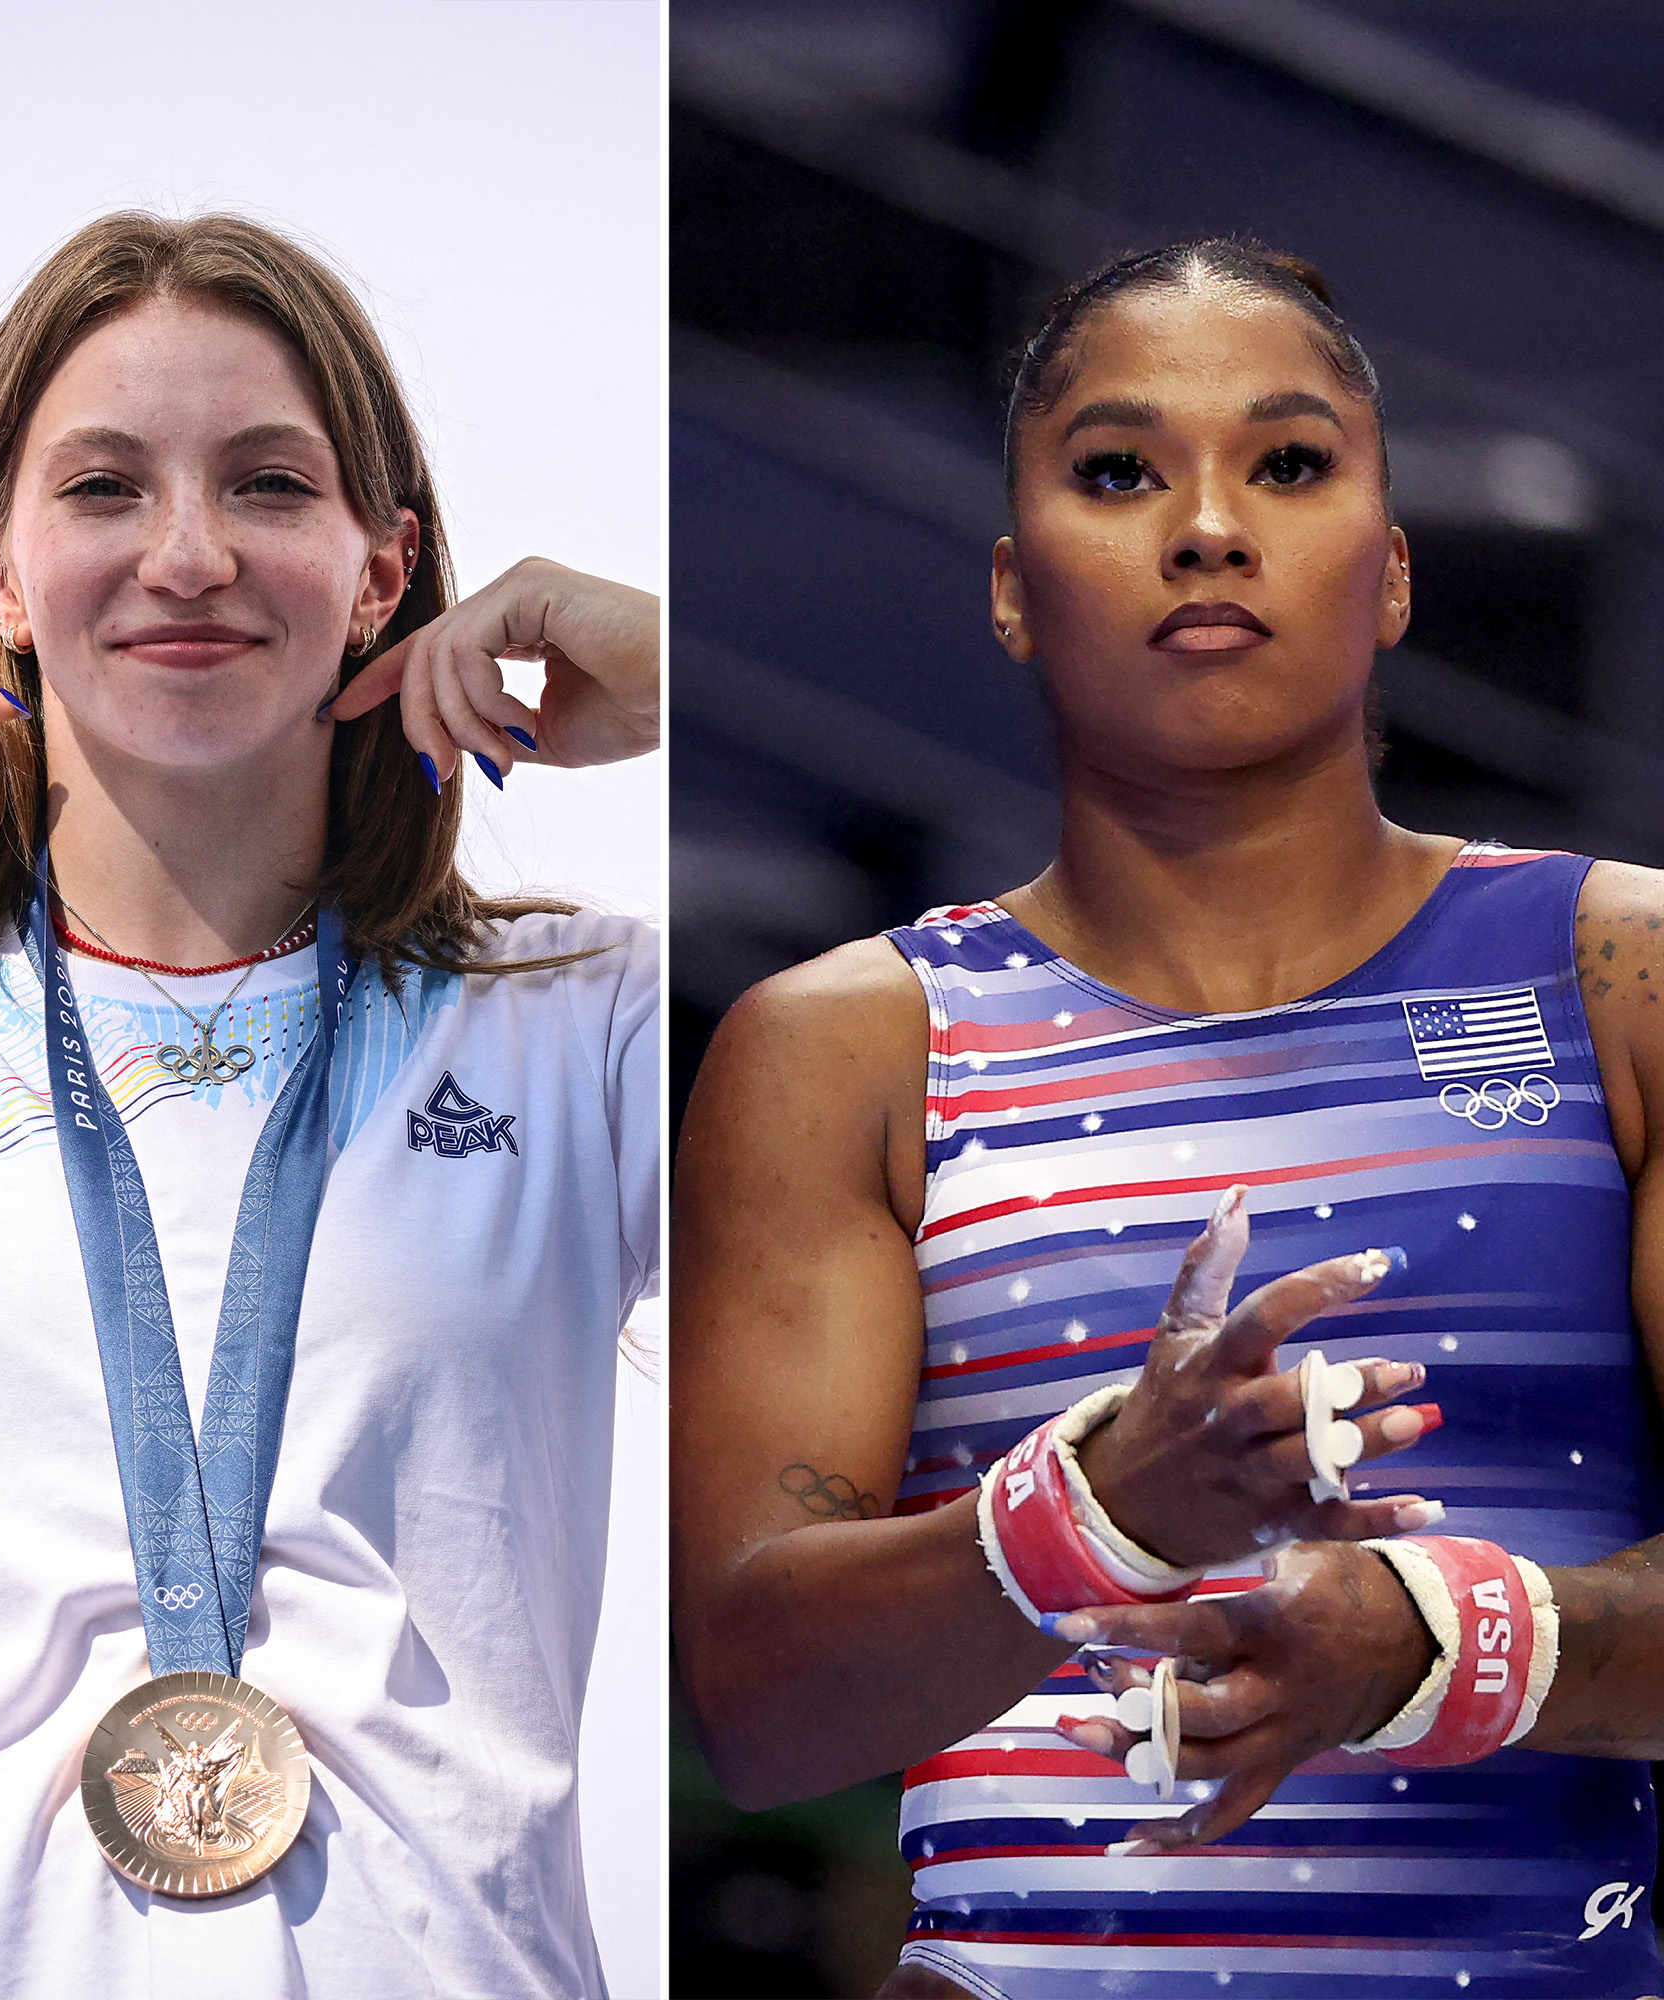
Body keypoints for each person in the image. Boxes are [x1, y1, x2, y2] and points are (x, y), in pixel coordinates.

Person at [0, 211, 658, 1999]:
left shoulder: (580, 1026)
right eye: (106, 489)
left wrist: (674, 675)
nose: (188, 557)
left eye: (270, 486)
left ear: (382, 570)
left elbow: (973, 1032)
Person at [673, 238, 1664, 1998]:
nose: (1209, 527)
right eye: (1119, 471)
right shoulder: (845, 1049)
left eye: (1289, 463)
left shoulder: (1625, 977)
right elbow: (760, 1713)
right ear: (1006, 585)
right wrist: (1098, 1511)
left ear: (1395, 573)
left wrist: (1441, 1639)